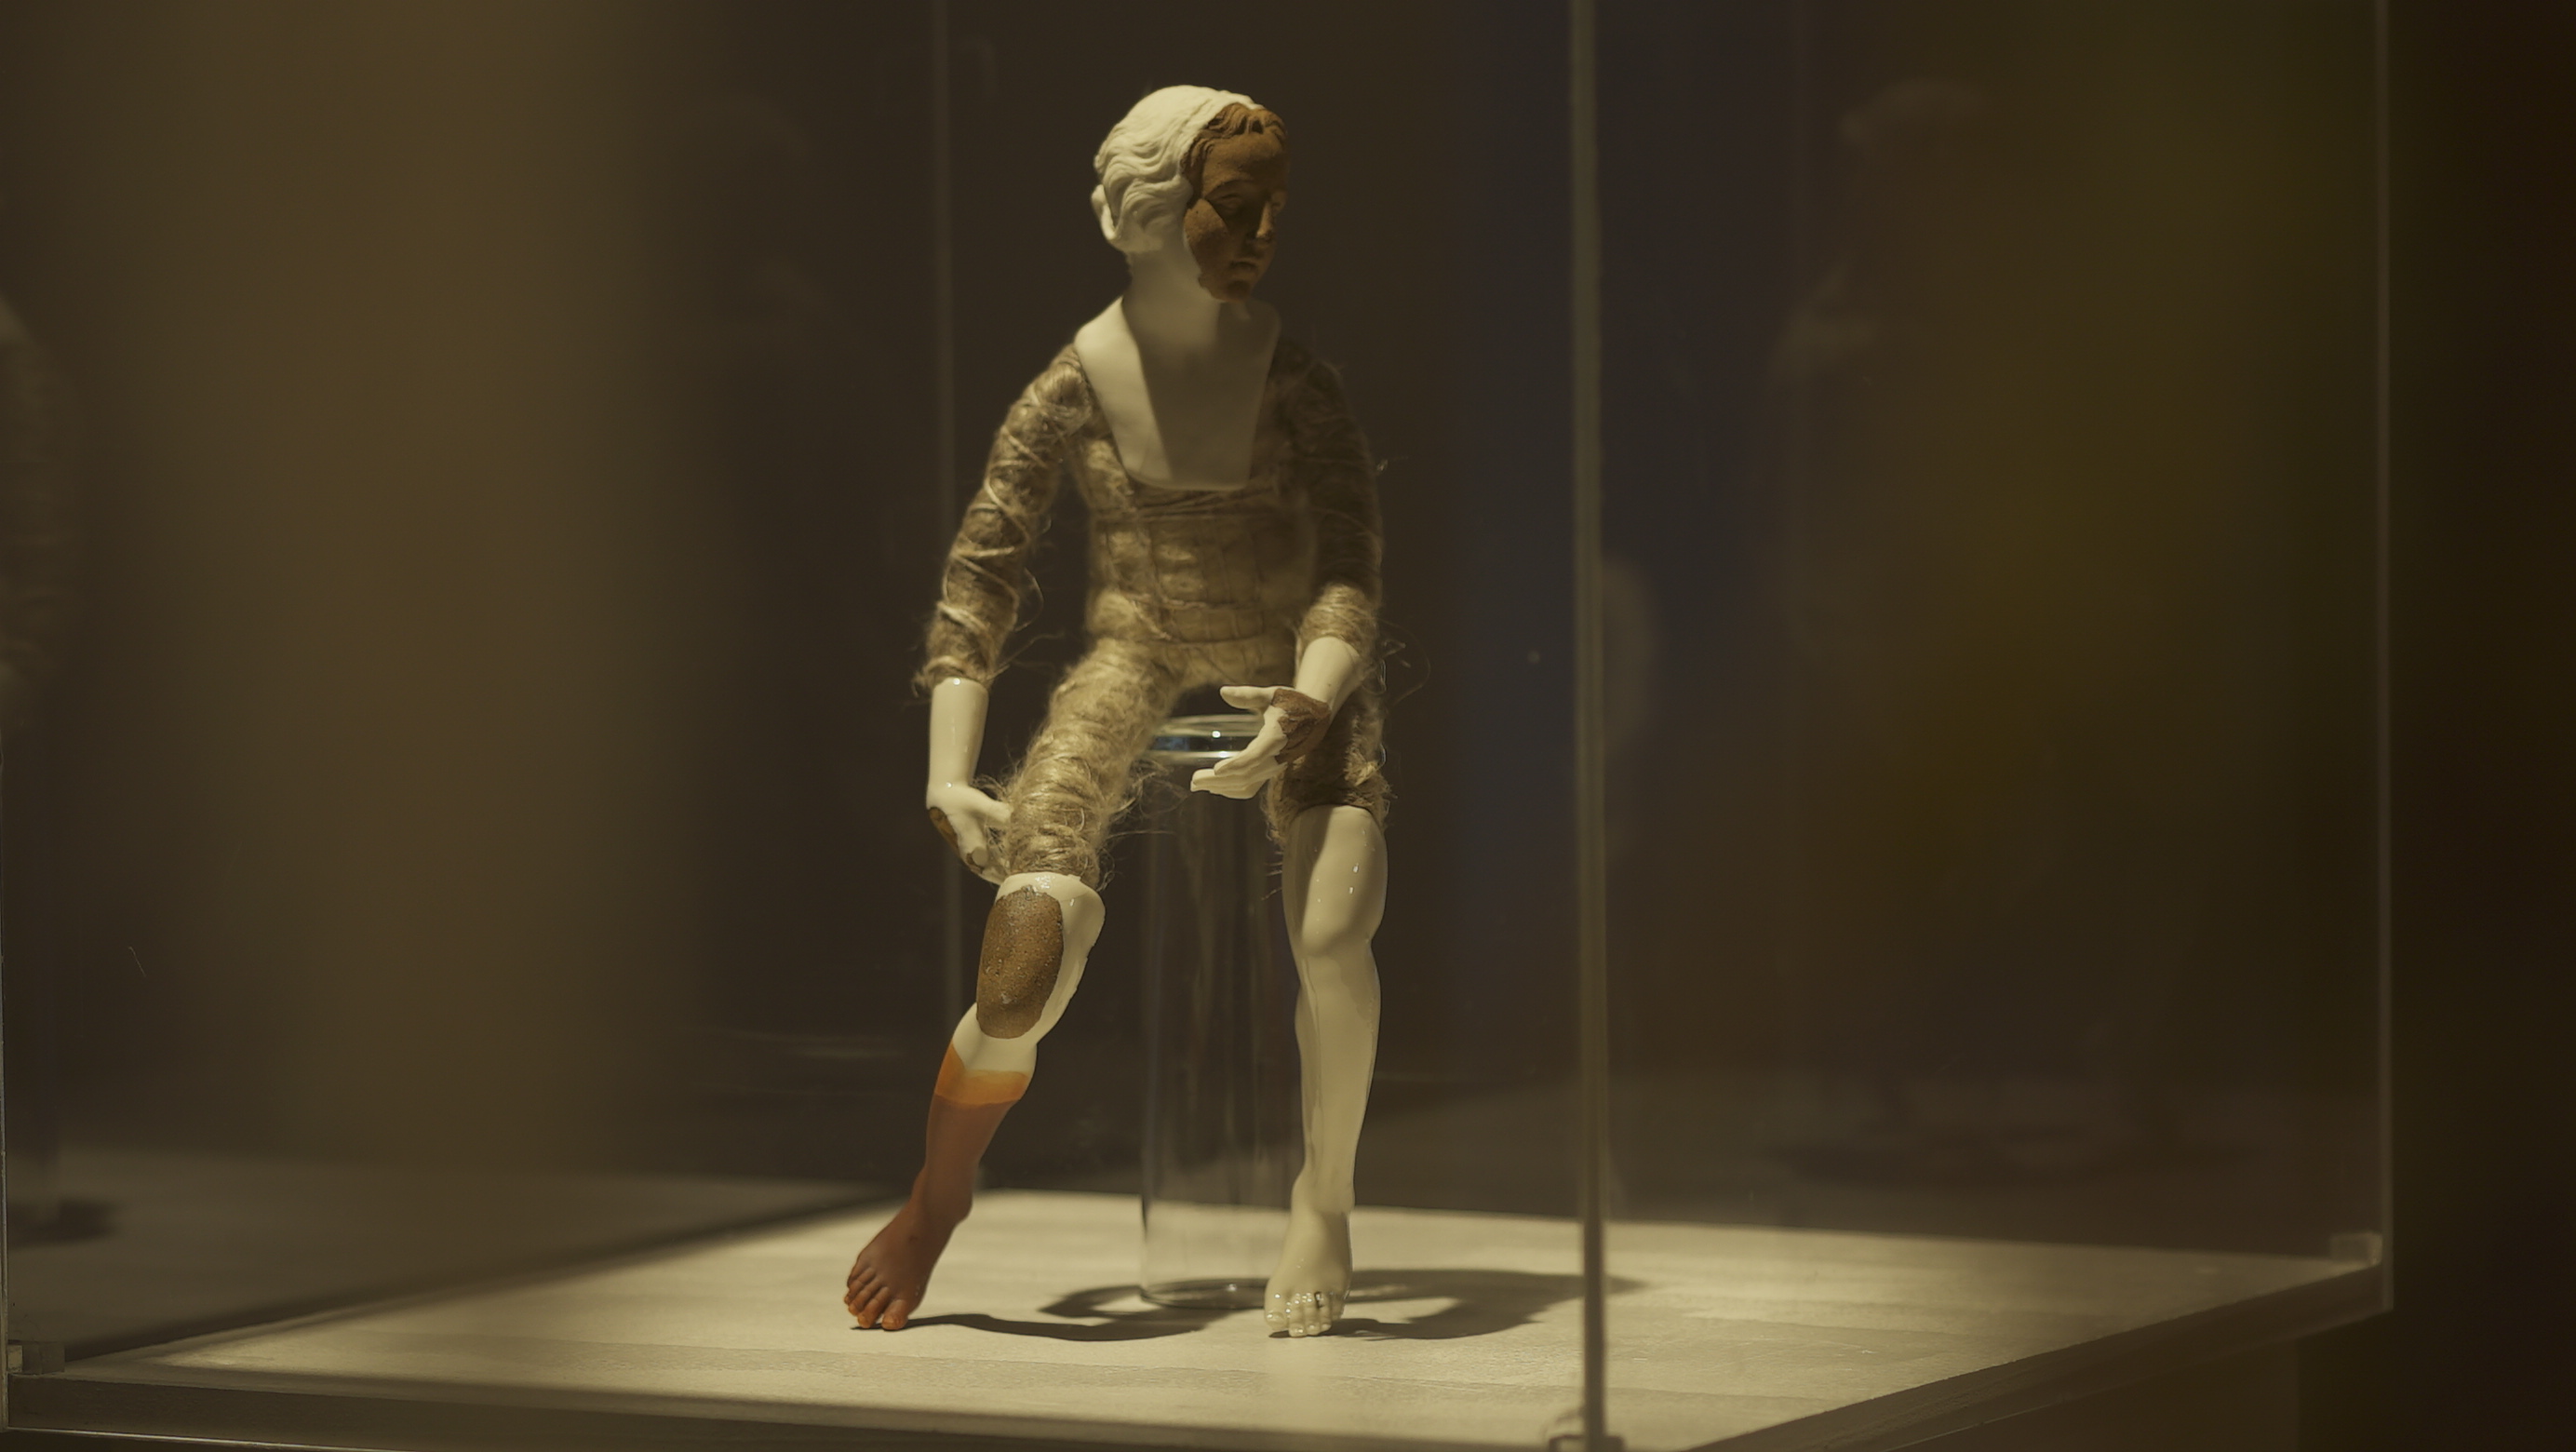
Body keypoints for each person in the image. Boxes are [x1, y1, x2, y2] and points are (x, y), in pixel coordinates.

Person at [843, 86, 1387, 1339]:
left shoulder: (1294, 383)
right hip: (1135, 648)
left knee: (1332, 925)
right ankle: (938, 1194)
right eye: (1233, 208)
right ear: (1149, 215)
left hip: (1288, 671)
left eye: (1274, 209)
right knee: (1027, 949)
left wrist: (1312, 698)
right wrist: (948, 772)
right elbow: (981, 579)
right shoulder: (1074, 386)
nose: (1261, 235)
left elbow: (1350, 567)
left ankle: (1326, 1199)